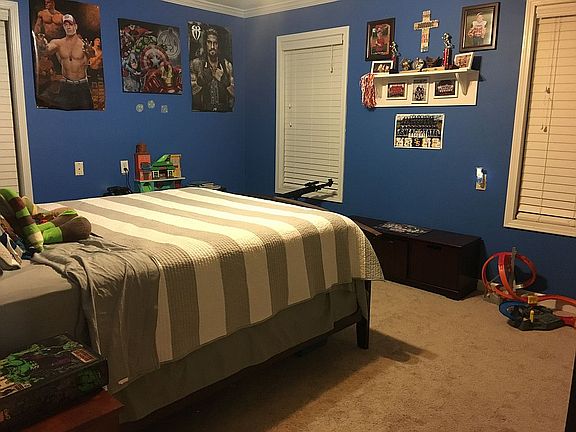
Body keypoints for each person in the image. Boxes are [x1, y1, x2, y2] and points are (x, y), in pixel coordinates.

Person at [36, 14, 95, 110]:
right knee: (61, 115)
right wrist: (42, 45)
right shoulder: (58, 43)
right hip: (66, 85)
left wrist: (90, 51)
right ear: (63, 27)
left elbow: (92, 55)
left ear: (76, 26)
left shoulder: (83, 45)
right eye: (65, 25)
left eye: (70, 24)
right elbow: (45, 51)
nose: (68, 27)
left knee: (89, 115)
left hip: (82, 85)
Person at [190, 28, 234, 112]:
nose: (212, 47)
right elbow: (190, 92)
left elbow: (235, 92)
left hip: (223, 112)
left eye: (215, 43)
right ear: (205, 44)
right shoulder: (196, 63)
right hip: (202, 112)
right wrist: (203, 79)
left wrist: (224, 80)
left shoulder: (227, 65)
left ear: (218, 45)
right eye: (209, 42)